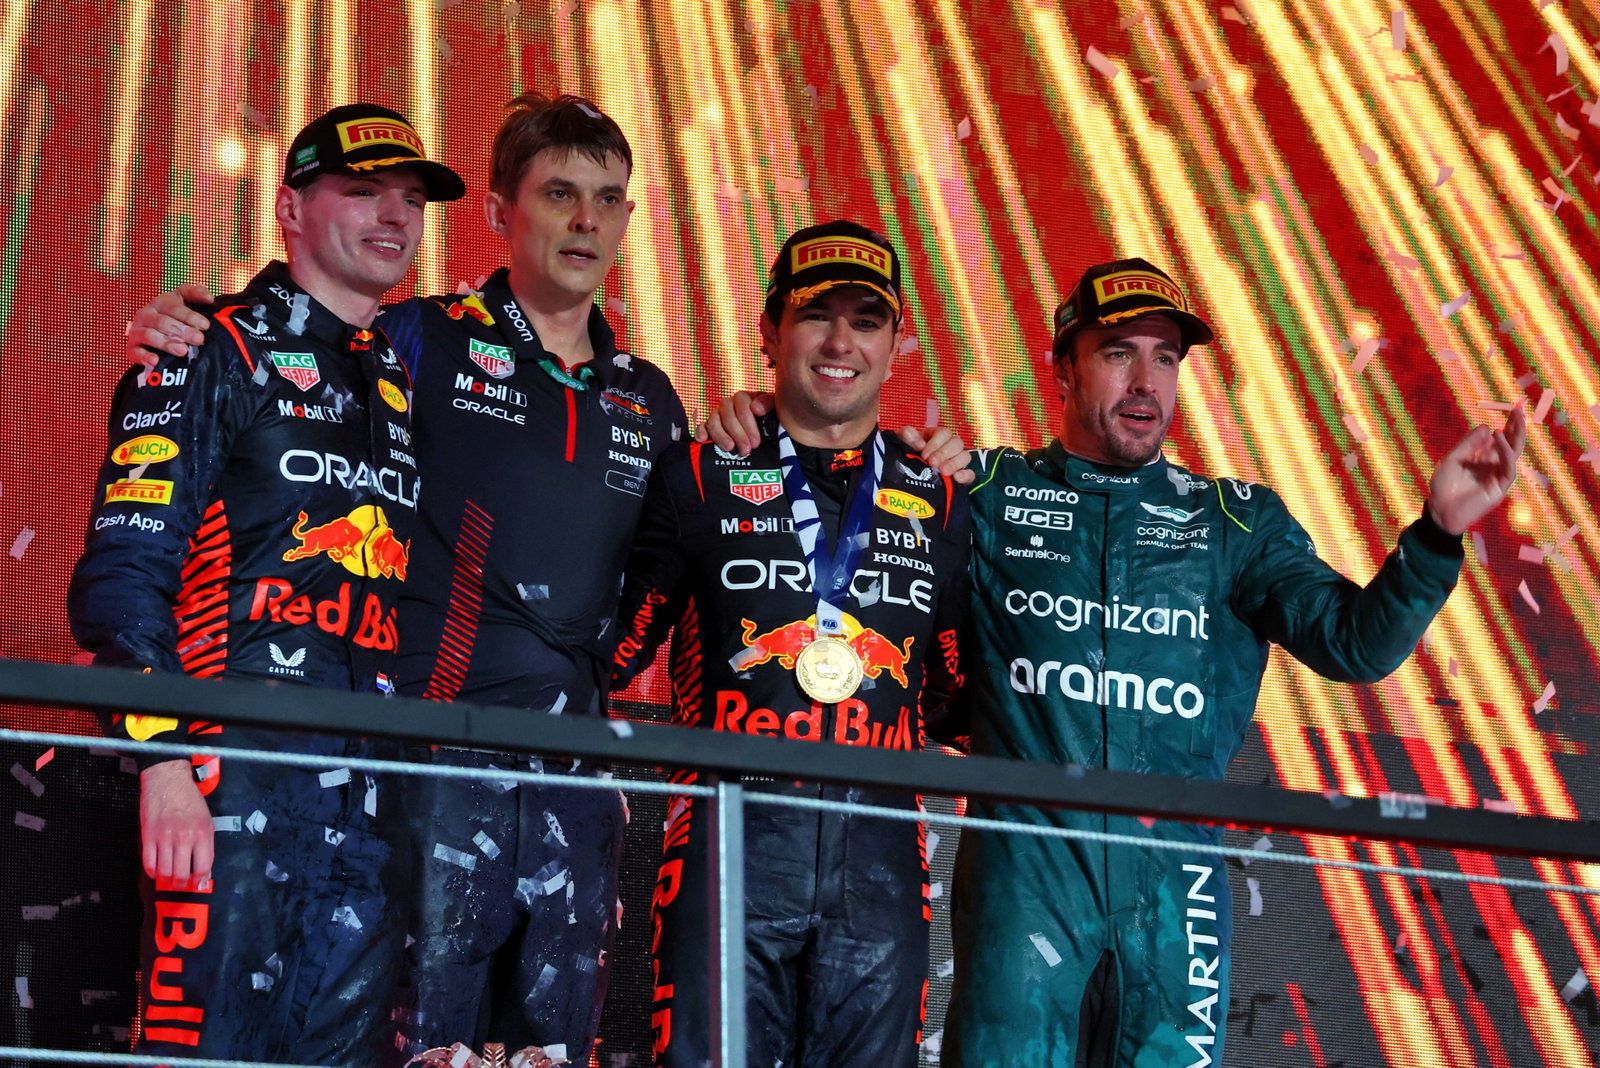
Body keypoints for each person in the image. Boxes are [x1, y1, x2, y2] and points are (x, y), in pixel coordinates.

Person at [123, 99, 973, 1063]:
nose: (585, 222)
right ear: (497, 214)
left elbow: (661, 586)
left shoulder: (651, 400)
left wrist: (769, 419)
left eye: (607, 200)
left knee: (547, 1053)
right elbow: (306, 340)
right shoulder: (415, 340)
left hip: (573, 788)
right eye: (560, 194)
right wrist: (191, 322)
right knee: (412, 1049)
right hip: (427, 766)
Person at [941, 258, 1526, 1066]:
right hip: (1024, 887)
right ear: (1063, 366)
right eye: (1119, 352)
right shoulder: (986, 490)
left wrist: (1436, 534)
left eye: (1167, 358)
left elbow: (1356, 644)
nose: (1147, 380)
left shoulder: (1235, 523)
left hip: (1179, 901)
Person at [68, 103, 462, 1062]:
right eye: (362, 191)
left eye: (410, 198)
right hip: (228, 774)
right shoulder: (213, 349)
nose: (393, 216)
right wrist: (162, 763)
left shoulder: (398, 379)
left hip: (369, 798)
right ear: (289, 208)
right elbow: (124, 572)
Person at [612, 220, 971, 1068]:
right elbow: (612, 649)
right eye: (817, 316)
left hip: (881, 862)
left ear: (897, 347)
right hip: (728, 845)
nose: (841, 342)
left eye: (867, 319)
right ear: (770, 332)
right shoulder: (700, 473)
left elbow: (962, 696)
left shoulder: (944, 496)